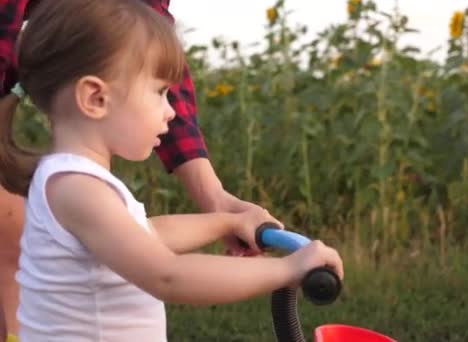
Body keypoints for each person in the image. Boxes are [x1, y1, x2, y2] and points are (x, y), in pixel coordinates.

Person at [0, 0, 344, 341]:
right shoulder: (78, 189)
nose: (170, 112)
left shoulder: (73, 179)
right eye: (160, 92)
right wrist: (286, 270)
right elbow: (166, 275)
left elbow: (145, 233)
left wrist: (227, 220)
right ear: (95, 97)